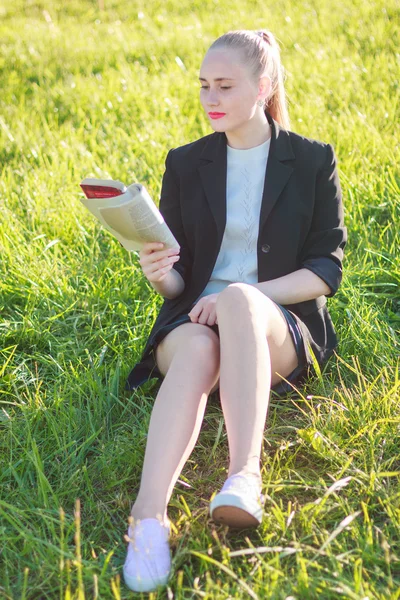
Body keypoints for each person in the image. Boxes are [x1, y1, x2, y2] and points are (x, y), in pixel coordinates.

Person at [122, 29, 347, 592]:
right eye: (203, 85)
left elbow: (325, 271)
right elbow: (180, 281)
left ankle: (244, 477)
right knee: (198, 345)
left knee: (244, 297)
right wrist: (161, 274)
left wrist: (237, 297)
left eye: (224, 85)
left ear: (264, 86)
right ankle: (148, 520)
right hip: (194, 324)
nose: (210, 98)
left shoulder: (312, 160)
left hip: (274, 329)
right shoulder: (186, 162)